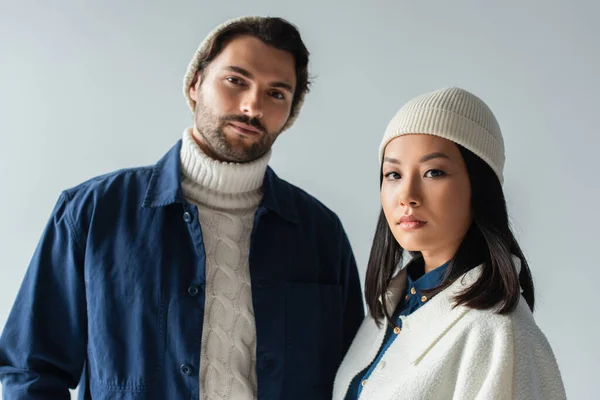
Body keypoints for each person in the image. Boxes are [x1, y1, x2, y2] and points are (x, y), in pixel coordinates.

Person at [0, 16, 364, 400]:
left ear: (290, 112)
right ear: (195, 84)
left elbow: (354, 377)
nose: (251, 106)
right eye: (236, 81)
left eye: (276, 93)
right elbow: (30, 369)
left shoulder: (319, 233)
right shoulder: (92, 213)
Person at [333, 87, 566, 399]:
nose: (407, 195)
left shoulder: (497, 331)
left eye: (433, 172)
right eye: (393, 174)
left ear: (479, 187)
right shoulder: (393, 306)